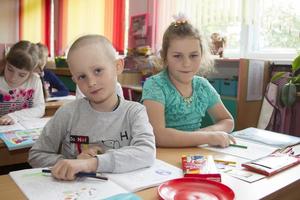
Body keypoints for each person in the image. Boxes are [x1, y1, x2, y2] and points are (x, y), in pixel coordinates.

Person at [29, 35, 155, 181]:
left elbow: (147, 152)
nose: (91, 82)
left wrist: (92, 164)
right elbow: (36, 155)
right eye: (82, 77)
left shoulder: (134, 112)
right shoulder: (67, 113)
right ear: (75, 80)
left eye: (98, 71)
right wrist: (74, 162)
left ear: (118, 66)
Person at [141, 17, 235, 148]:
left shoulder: (203, 86)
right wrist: (207, 137)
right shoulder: (155, 85)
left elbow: (228, 121)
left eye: (193, 55)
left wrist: (205, 133)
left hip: (193, 155)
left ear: (201, 55)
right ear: (165, 57)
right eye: (177, 56)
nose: (186, 64)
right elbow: (158, 136)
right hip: (161, 158)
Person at [0, 41, 45, 125]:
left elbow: (40, 109)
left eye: (22, 75)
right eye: (10, 69)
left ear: (31, 72)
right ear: (6, 62)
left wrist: (14, 116)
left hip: (22, 129)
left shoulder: (34, 81)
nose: (13, 78)